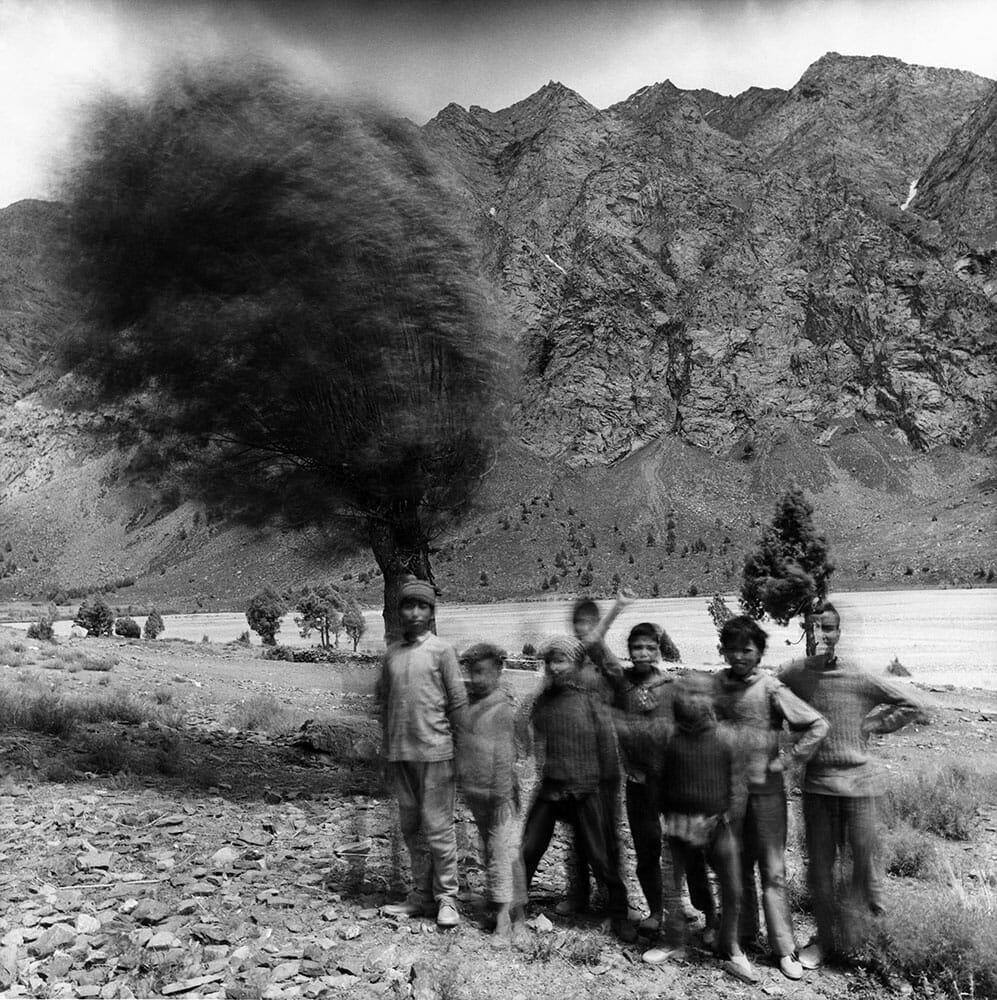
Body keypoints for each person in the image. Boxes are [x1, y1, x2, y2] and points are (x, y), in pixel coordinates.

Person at [779, 601, 923, 966]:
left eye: (828, 628)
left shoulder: (858, 676)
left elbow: (908, 704)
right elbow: (767, 694)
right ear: (805, 632)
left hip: (861, 789)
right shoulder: (795, 674)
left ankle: (871, 945)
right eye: (814, 627)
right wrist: (784, 744)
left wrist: (874, 724)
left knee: (864, 871)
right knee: (820, 871)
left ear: (839, 634)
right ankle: (825, 941)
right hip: (818, 790)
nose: (822, 635)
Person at [713, 615, 829, 980]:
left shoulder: (771, 688)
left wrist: (789, 759)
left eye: (746, 649)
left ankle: (784, 948)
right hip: (728, 792)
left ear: (759, 652)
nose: (738, 656)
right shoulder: (716, 684)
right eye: (731, 649)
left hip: (766, 794)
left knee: (773, 869)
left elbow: (816, 724)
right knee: (735, 867)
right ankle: (743, 935)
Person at [521, 634, 636, 942]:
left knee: (601, 854)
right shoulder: (542, 701)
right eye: (549, 662)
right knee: (530, 846)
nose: (554, 668)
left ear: (575, 664)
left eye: (561, 661)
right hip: (552, 786)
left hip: (588, 787)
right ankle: (514, 905)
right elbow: (534, 738)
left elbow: (607, 750)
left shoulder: (590, 700)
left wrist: (607, 791)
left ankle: (619, 913)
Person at [645, 673, 759, 984]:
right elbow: (657, 778)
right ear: (678, 698)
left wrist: (728, 819)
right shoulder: (668, 736)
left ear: (713, 699)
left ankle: (730, 944)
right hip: (677, 823)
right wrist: (662, 814)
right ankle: (672, 941)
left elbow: (738, 785)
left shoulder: (727, 737)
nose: (693, 699)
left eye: (701, 693)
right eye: (687, 693)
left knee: (732, 886)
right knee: (672, 886)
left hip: (716, 823)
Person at [376, 579, 467, 927]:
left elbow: (457, 702)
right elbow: (385, 705)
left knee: (439, 828)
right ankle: (420, 894)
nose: (415, 613)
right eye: (408, 606)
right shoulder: (393, 655)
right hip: (402, 755)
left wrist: (466, 749)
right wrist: (385, 752)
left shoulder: (442, 651)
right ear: (399, 611)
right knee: (411, 827)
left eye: (422, 606)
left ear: (432, 612)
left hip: (437, 753)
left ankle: (447, 898)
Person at [457, 642, 528, 947]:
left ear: (499, 671)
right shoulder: (470, 706)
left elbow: (504, 756)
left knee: (504, 852)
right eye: (472, 672)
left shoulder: (502, 709)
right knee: (494, 852)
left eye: (484, 672)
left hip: (500, 798)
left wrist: (500, 795)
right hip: (478, 794)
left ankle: (507, 917)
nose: (477, 678)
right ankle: (510, 909)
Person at [612, 622, 677, 933]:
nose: (643, 653)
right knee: (647, 849)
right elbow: (594, 646)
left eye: (650, 648)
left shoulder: (671, 686)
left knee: (680, 847)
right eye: (637, 647)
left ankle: (682, 904)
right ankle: (656, 910)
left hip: (671, 781)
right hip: (638, 782)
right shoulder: (620, 684)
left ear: (658, 650)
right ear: (629, 650)